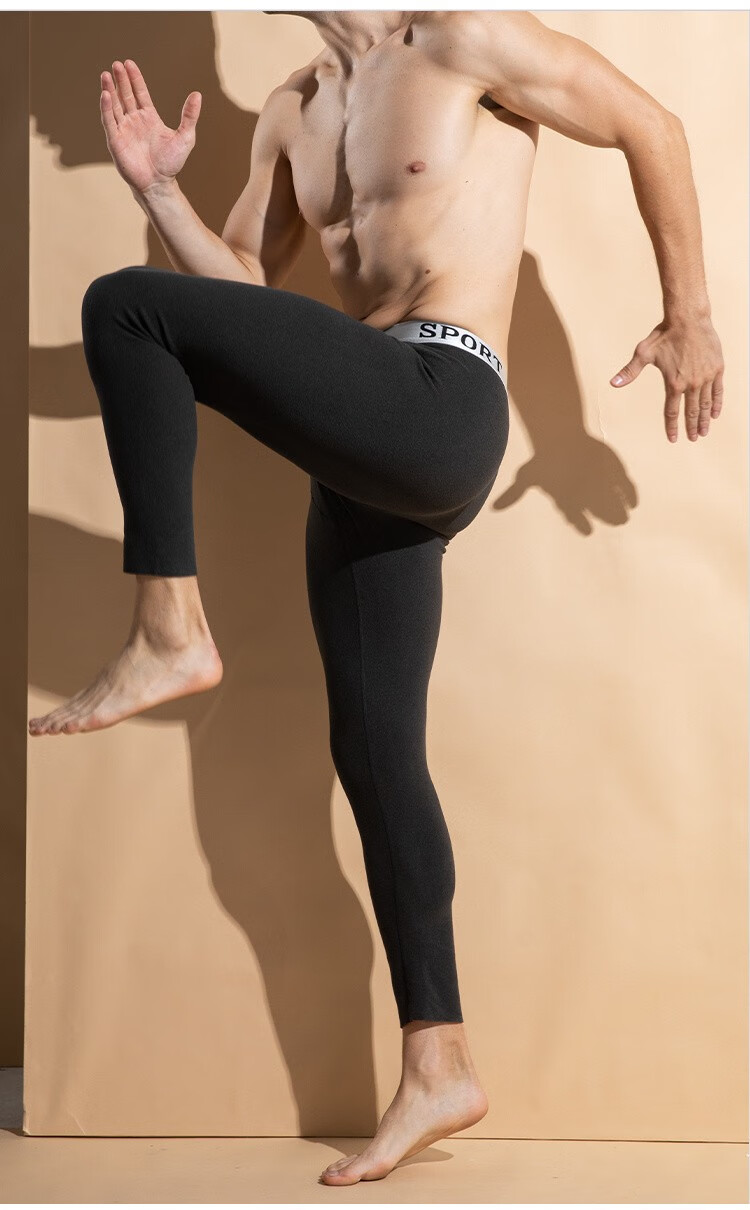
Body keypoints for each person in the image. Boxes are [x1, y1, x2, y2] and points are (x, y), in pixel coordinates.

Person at [28, 10, 724, 1186]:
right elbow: (243, 295)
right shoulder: (290, 114)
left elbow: (649, 125)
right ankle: (440, 1061)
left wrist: (690, 316)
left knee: (124, 307)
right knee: (376, 754)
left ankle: (169, 628)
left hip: (440, 396)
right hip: (365, 445)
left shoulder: (460, 38)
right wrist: (161, 196)